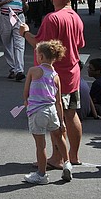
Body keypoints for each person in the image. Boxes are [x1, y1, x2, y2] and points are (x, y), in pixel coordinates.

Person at [20, 0, 85, 167]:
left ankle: (57, 158)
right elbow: (79, 45)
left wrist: (25, 33)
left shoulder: (52, 18)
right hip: (72, 73)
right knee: (71, 114)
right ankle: (73, 155)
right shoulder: (76, 17)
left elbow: (41, 47)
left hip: (53, 77)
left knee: (56, 118)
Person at [22, 40, 72, 184]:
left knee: (40, 144)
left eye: (38, 54)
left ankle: (41, 175)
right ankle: (67, 163)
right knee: (58, 136)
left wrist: (26, 100)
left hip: (37, 111)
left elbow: (25, 93)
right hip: (52, 111)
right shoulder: (56, 76)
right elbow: (59, 101)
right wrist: (62, 121)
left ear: (42, 56)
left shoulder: (33, 71)